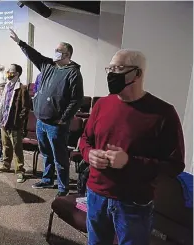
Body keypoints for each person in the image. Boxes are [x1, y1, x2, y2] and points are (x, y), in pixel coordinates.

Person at [79, 49, 185, 245]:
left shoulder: (163, 113)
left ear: (138, 73)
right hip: (96, 195)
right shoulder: (102, 104)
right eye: (109, 69)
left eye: (119, 68)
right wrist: (89, 154)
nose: (112, 74)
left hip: (133, 202)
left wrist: (129, 162)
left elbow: (175, 165)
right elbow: (85, 139)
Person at [9, 29, 84, 197]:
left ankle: (63, 187)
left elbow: (76, 100)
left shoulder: (73, 73)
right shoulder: (48, 65)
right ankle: (48, 178)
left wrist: (63, 119)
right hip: (41, 121)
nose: (55, 53)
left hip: (56, 124)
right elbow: (34, 55)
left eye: (59, 51)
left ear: (68, 54)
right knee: (46, 153)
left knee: (60, 156)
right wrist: (20, 42)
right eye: (55, 50)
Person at [0, 64, 30, 183]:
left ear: (17, 74)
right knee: (6, 145)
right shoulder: (7, 86)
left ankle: (20, 170)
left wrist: (19, 120)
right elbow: (3, 104)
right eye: (8, 71)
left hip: (15, 123)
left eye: (11, 71)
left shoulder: (22, 88)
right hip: (5, 121)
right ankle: (6, 165)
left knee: (17, 148)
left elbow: (26, 107)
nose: (8, 72)